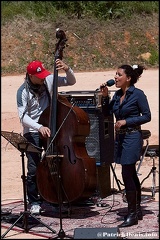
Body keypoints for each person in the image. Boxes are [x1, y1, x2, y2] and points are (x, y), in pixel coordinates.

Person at [16, 59, 76, 215]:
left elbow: (71, 81)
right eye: (39, 76)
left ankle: (55, 198)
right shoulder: (22, 91)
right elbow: (23, 117)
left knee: (56, 163)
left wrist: (67, 69)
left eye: (43, 74)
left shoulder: (48, 80)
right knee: (34, 167)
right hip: (34, 131)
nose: (43, 78)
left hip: (52, 127)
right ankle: (34, 201)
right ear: (30, 76)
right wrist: (39, 127)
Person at [100, 64, 151, 227]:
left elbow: (147, 116)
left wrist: (126, 121)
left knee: (127, 173)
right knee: (130, 173)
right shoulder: (116, 95)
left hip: (132, 137)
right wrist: (105, 97)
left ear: (128, 78)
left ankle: (132, 214)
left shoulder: (138, 94)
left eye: (119, 75)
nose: (115, 77)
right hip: (120, 139)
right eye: (115, 74)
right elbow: (107, 113)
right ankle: (136, 210)